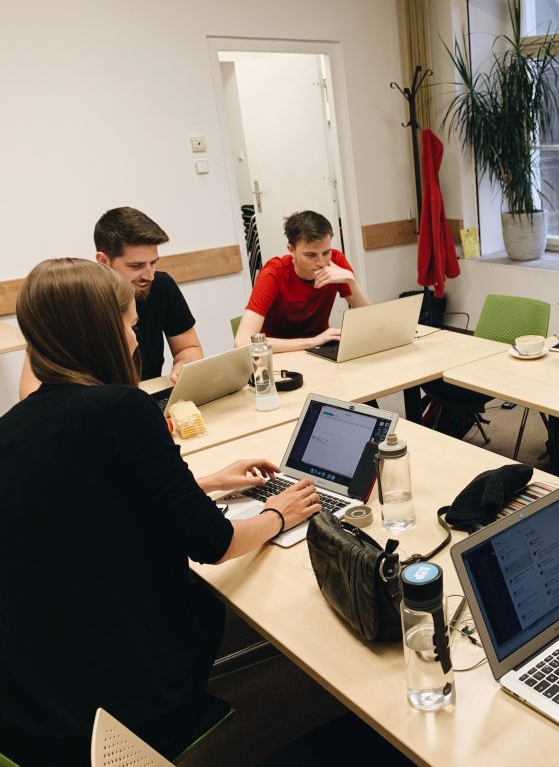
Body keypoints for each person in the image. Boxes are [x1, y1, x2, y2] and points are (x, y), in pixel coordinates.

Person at [0, 259, 321, 766]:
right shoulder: (122, 410)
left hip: (28, 689)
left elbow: (92, 494)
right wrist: (280, 512)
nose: (134, 340)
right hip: (115, 700)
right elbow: (215, 544)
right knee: (216, 595)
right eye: (130, 325)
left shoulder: (15, 424)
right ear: (100, 330)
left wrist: (211, 480)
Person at [234, 210, 370, 351]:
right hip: (278, 352)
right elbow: (242, 342)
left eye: (326, 252)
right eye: (310, 255)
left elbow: (370, 319)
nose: (321, 262)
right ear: (291, 250)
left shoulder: (336, 261)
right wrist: (312, 341)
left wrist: (351, 280)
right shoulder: (273, 273)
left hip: (320, 348)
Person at [95, 206, 204, 381]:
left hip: (150, 396)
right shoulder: (81, 300)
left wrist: (183, 365)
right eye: (136, 266)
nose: (149, 275)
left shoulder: (161, 286)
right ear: (103, 261)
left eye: (153, 263)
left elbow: (188, 347)